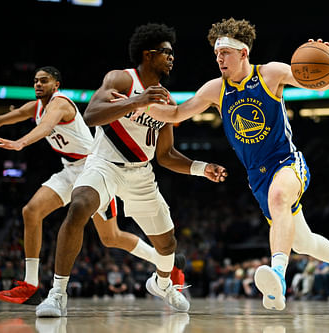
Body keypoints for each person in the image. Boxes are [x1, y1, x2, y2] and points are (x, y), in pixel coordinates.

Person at [135, 18, 329, 310]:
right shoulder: (215, 89)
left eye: (226, 53)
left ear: (243, 53)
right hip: (257, 177)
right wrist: (137, 103)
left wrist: (324, 59)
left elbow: (321, 83)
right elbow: (176, 114)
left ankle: (278, 278)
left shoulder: (271, 74)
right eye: (217, 54)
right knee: (302, 242)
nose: (219, 58)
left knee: (280, 196)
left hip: (286, 161)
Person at [36, 23, 227, 317]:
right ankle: (57, 294)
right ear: (148, 55)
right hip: (103, 164)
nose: (172, 58)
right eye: (167, 53)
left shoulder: (166, 99)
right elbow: (91, 115)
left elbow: (165, 155)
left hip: (141, 173)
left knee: (168, 243)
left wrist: (202, 168)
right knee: (80, 206)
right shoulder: (122, 78)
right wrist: (137, 100)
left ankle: (162, 284)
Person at [0, 66, 183, 305]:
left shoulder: (60, 104)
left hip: (94, 168)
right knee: (31, 212)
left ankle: (165, 262)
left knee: (111, 237)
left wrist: (21, 142)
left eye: (44, 80)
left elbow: (46, 127)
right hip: (69, 169)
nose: (38, 84)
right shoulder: (34, 107)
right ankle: (30, 285)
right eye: (35, 81)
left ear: (56, 85)